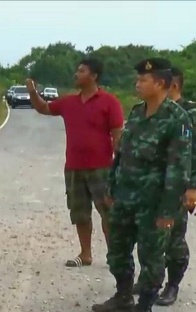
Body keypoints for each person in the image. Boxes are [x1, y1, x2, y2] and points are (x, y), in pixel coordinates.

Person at [91, 58, 191, 312]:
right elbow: (121, 154)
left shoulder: (177, 118)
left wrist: (168, 211)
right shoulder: (136, 112)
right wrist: (112, 186)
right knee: (119, 250)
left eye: (143, 80)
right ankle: (123, 296)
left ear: (160, 83)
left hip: (154, 202)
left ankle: (144, 307)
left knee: (151, 257)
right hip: (125, 197)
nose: (137, 83)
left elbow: (179, 168)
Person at [26, 58, 124, 269]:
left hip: (102, 167)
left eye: (81, 71)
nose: (76, 74)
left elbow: (118, 136)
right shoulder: (69, 102)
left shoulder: (109, 102)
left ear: (94, 75)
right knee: (79, 212)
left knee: (107, 212)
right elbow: (43, 108)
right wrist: (33, 92)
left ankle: (114, 255)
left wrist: (120, 166)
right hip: (74, 167)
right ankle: (85, 254)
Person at [157, 66, 196, 305]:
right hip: (154, 184)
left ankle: (172, 285)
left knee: (174, 239)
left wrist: (193, 187)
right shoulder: (158, 111)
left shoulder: (189, 113)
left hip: (178, 188)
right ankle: (152, 279)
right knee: (153, 236)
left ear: (173, 85)